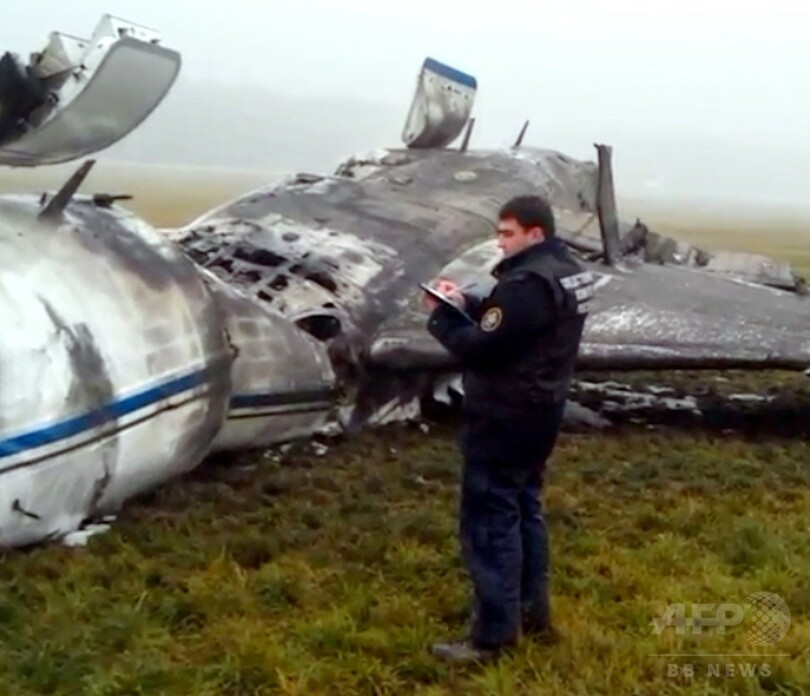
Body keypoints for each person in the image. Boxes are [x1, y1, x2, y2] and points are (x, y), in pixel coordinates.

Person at [423, 194, 593, 664]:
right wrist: (471, 301)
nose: (499, 243)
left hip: (504, 415)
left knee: (490, 521)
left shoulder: (526, 284)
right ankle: (532, 614)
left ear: (534, 233)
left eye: (507, 234)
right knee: (524, 509)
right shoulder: (568, 272)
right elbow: (521, 325)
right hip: (542, 411)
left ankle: (493, 638)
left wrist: (440, 314)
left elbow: (482, 348)